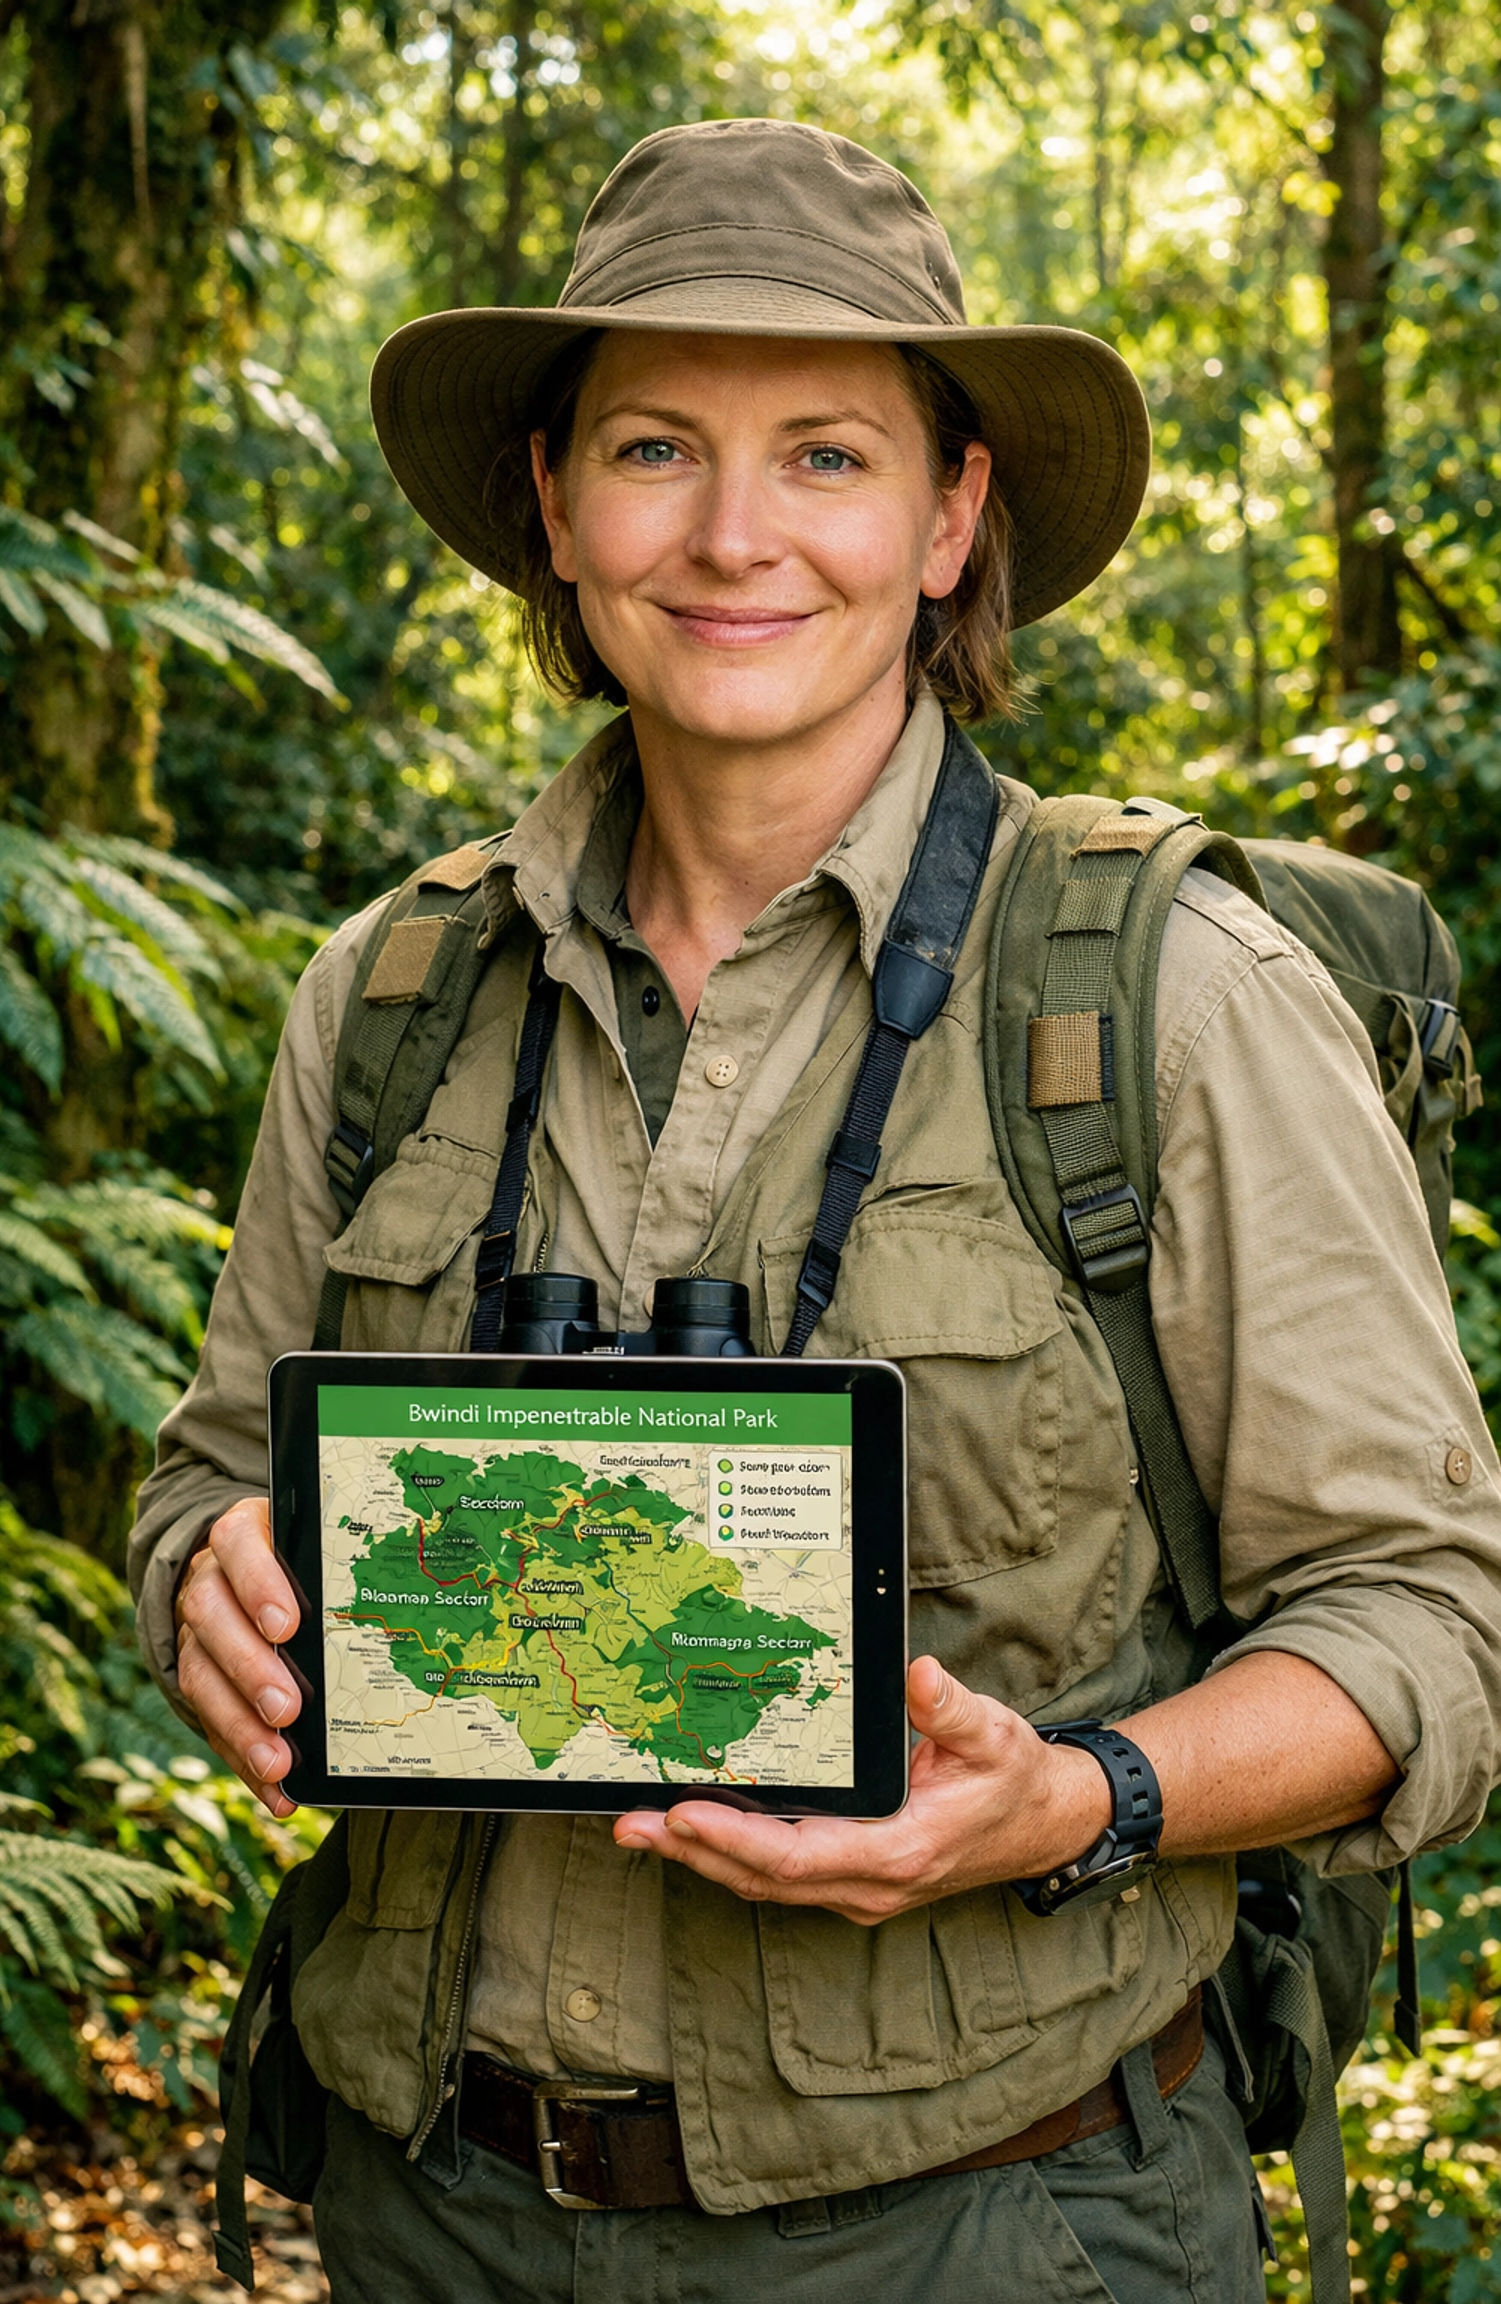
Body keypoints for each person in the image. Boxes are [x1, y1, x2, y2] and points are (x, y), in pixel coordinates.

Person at [129, 118, 1501, 2303]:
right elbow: (218, 1470)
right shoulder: (390, 995)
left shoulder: (1164, 997)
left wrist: (1076, 1798)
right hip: (431, 2216)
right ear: (556, 508)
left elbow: (1428, 1622)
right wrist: (212, 1576)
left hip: (998, 2222)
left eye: (833, 457)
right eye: (659, 446)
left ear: (956, 519)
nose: (738, 535)